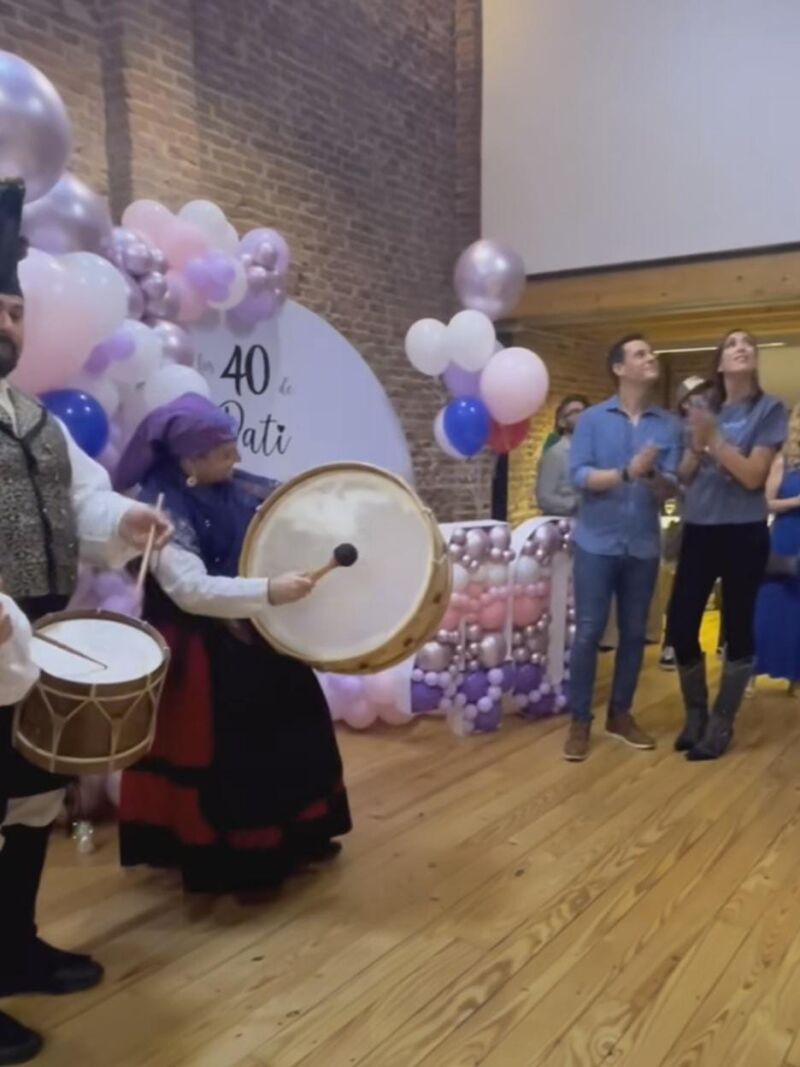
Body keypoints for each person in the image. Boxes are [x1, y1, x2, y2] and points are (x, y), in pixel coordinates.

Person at [0, 179, 172, 1064]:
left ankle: (14, 945)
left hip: (29, 649)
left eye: (14, 308)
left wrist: (124, 526)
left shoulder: (33, 420)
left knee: (31, 804)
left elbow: (85, 501)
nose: (7, 325)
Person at [115, 394, 352, 894]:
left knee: (297, 729)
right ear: (188, 459)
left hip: (256, 631)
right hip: (203, 650)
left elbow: (297, 503)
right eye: (223, 452)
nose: (237, 459)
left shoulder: (238, 485)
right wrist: (269, 591)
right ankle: (238, 859)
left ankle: (300, 834)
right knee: (234, 752)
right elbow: (191, 591)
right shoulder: (159, 509)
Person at [667, 330, 786, 760]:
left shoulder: (769, 410)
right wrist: (697, 448)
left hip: (743, 532)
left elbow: (754, 476)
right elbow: (684, 473)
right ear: (719, 362)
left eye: (748, 344)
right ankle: (695, 714)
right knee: (680, 625)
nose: (742, 347)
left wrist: (714, 440)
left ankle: (721, 723)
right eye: (732, 344)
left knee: (736, 628)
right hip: (699, 529)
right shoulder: (703, 408)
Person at [563, 335, 681, 761]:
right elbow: (578, 477)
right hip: (596, 542)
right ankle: (579, 721)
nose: (651, 358)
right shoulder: (592, 420)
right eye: (641, 354)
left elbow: (672, 488)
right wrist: (627, 473)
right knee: (590, 631)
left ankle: (620, 714)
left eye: (652, 353)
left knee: (635, 634)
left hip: (643, 545)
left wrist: (652, 478)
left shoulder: (667, 425)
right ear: (619, 368)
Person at [658, 376, 714, 671]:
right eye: (694, 397)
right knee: (685, 587)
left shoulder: (717, 425)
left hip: (720, 516)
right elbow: (677, 477)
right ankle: (672, 645)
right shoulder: (677, 430)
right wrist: (698, 448)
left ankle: (723, 645)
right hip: (691, 517)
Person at [753, 403, 800, 694]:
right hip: (784, 536)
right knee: (769, 605)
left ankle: (797, 677)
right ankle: (750, 671)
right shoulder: (780, 461)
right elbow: (764, 503)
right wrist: (797, 502)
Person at [535, 394, 588, 516]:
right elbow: (544, 498)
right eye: (575, 412)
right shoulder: (555, 453)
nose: (582, 415)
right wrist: (575, 503)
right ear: (562, 422)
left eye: (584, 411)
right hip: (564, 525)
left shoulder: (591, 451)